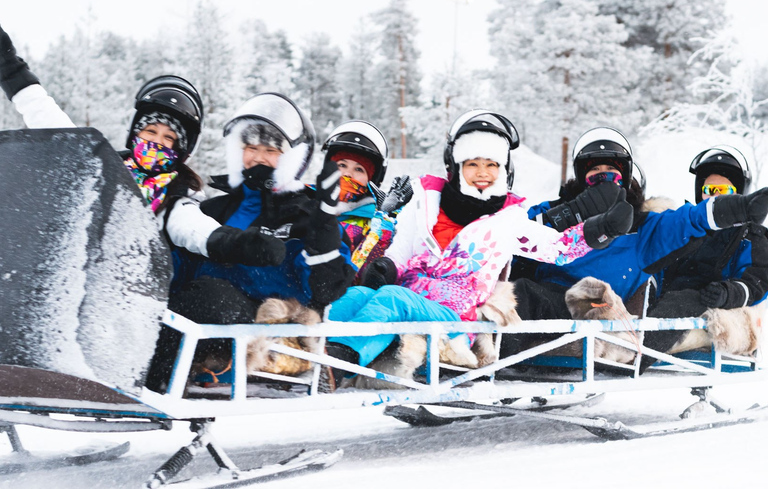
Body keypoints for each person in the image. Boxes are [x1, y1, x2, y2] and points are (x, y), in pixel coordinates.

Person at [320, 110, 634, 390]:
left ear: (502, 169)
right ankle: (308, 348)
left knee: (393, 298)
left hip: (455, 322)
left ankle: (336, 365)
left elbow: (557, 248)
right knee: (357, 296)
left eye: (491, 164)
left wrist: (600, 228)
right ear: (456, 165)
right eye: (473, 164)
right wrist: (387, 267)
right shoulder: (426, 202)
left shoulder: (506, 219)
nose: (482, 172)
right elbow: (400, 251)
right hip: (409, 301)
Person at [0, 23, 282, 268]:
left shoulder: (176, 200)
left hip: (121, 305)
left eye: (169, 138)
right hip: (64, 280)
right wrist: (11, 70)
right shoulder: (101, 168)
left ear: (181, 151)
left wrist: (237, 243)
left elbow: (196, 230)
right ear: (135, 134)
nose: (157, 142)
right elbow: (53, 123)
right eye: (150, 131)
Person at [146, 92, 357, 390]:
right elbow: (182, 267)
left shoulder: (306, 214)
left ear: (294, 157)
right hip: (200, 312)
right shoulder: (215, 209)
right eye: (250, 147)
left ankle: (150, 385)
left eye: (271, 150)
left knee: (210, 294)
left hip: (269, 321)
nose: (258, 157)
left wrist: (323, 225)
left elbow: (325, 289)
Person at [501, 128, 768, 359]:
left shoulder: (643, 227)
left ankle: (491, 364)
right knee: (511, 289)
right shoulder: (556, 210)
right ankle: (478, 349)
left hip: (595, 308)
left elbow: (689, 220)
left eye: (612, 174)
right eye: (595, 174)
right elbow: (510, 232)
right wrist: (572, 213)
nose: (604, 180)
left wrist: (739, 208)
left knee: (526, 294)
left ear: (625, 178)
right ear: (582, 178)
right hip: (546, 290)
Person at [638, 146, 768, 369]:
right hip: (664, 300)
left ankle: (634, 355)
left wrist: (728, 293)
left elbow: (757, 281)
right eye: (710, 188)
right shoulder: (687, 226)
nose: (716, 195)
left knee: (681, 300)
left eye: (723, 189)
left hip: (710, 304)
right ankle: (598, 342)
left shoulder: (749, 234)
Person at [321, 120, 413, 282]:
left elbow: (359, 274)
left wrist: (385, 219)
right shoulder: (305, 203)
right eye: (342, 165)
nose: (347, 174)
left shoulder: (371, 221)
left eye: (358, 169)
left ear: (371, 179)